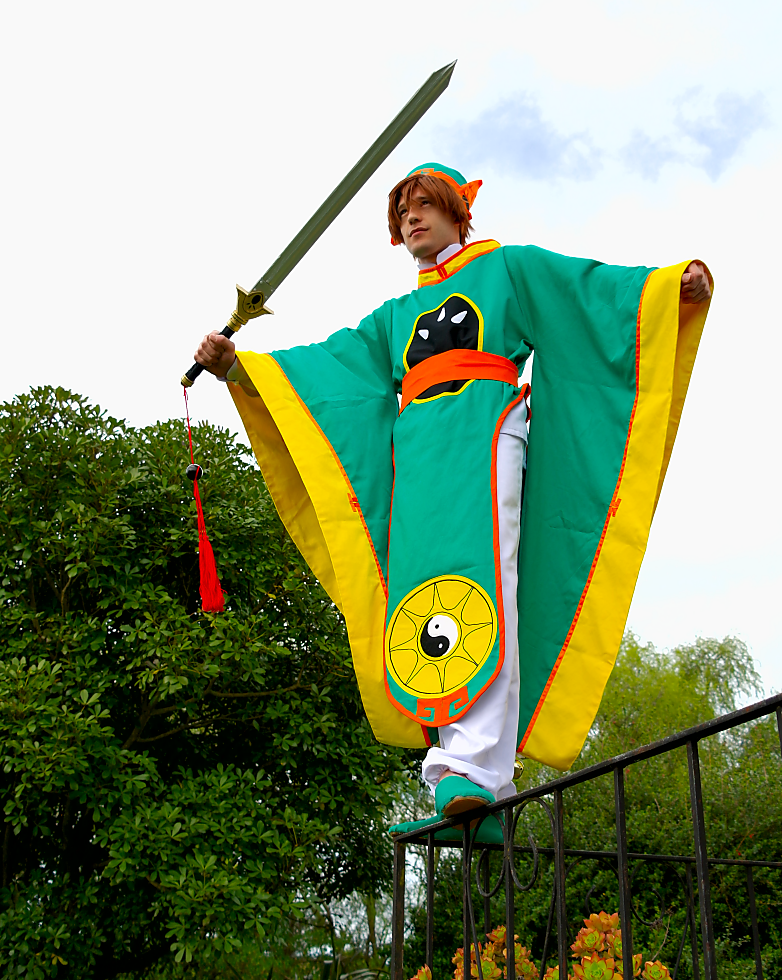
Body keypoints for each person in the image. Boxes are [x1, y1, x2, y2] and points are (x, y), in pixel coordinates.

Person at [194, 164, 712, 840]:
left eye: (424, 206)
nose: (412, 218)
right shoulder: (393, 319)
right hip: (419, 456)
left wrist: (666, 286)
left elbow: (584, 294)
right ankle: (477, 791)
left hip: (487, 431)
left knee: (486, 585)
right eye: (403, 211)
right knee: (425, 599)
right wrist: (241, 367)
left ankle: (473, 768)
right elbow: (332, 371)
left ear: (458, 211)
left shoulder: (508, 272)